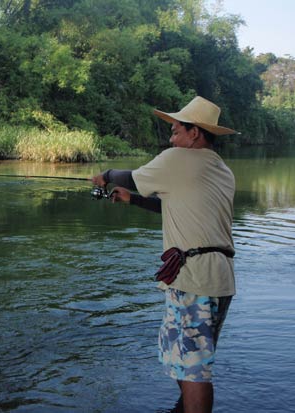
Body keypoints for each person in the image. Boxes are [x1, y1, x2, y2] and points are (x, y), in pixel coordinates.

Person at [92, 96, 237, 413]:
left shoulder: (179, 159)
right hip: (219, 279)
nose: (171, 139)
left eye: (175, 131)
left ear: (194, 133)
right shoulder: (220, 169)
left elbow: (128, 176)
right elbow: (171, 204)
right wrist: (133, 200)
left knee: (195, 367)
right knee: (186, 355)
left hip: (194, 279)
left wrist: (105, 174)